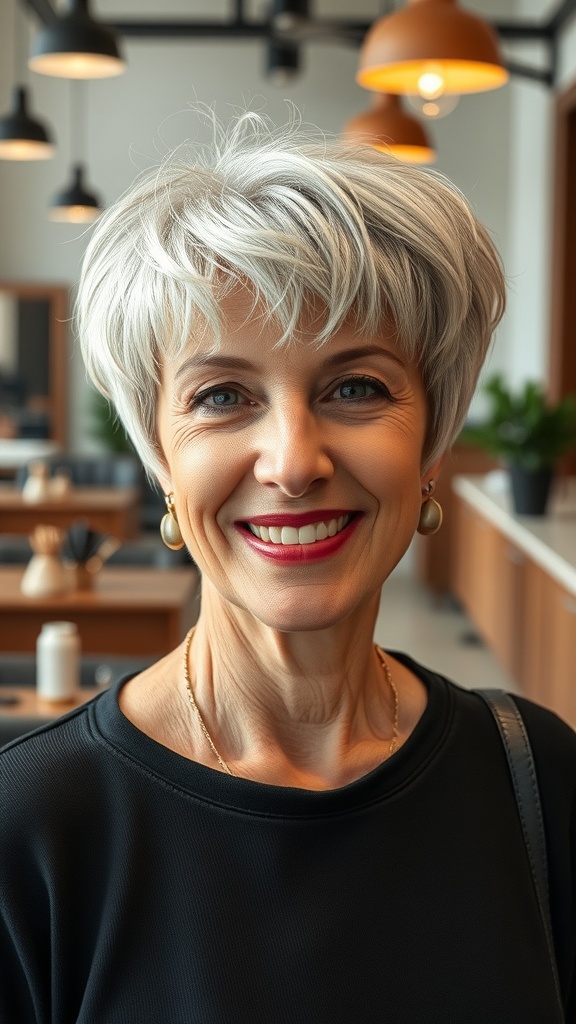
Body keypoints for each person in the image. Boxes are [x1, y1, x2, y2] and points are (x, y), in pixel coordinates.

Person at [1, 113, 574, 1023]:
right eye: (223, 396)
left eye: (356, 387)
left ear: (432, 438)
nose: (293, 460)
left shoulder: (537, 779)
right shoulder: (30, 829)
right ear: (161, 456)